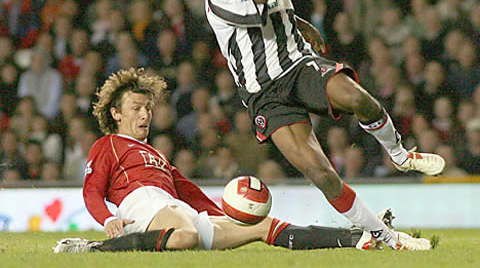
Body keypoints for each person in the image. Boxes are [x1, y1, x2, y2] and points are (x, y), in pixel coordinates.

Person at [204, 0, 445, 250]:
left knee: (357, 97)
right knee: (322, 174)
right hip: (265, 93)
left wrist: (300, 24)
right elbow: (255, 1)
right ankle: (385, 237)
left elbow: (272, 2)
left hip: (298, 64)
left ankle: (399, 154)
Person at [54, 68, 430, 253]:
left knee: (262, 227)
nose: (145, 115)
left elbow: (188, 192)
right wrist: (108, 221)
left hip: (175, 209)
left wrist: (224, 213)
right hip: (144, 208)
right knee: (184, 236)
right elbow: (92, 191)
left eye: (148, 108)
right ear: (116, 114)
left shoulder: (155, 154)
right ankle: (92, 249)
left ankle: (357, 238)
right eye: (136, 108)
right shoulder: (108, 146)